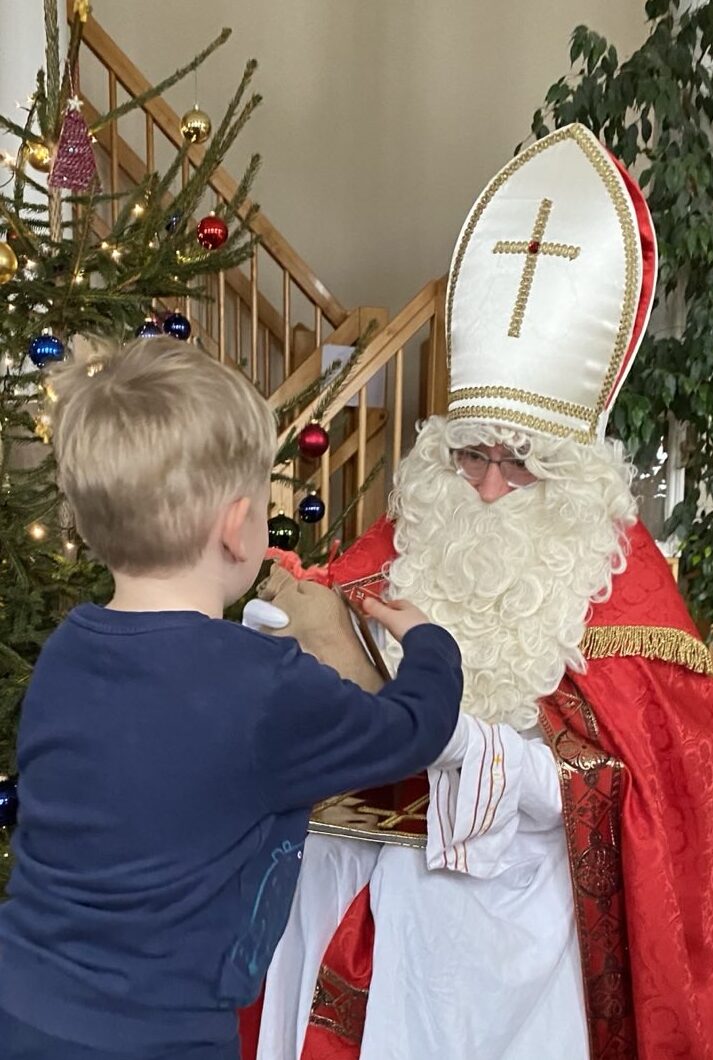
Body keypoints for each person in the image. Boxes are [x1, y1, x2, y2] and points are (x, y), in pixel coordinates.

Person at [247, 123, 713, 1060]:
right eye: (468, 454)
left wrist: (478, 757)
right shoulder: (420, 524)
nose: (482, 486)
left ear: (571, 473)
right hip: (352, 858)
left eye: (517, 466)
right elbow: (337, 612)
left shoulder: (624, 589)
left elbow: (641, 786)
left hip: (504, 914)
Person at [0, 337, 465, 1060]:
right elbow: (414, 729)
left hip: (21, 1001)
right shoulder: (264, 686)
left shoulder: (67, 650)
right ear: (235, 526)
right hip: (162, 1037)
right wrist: (431, 644)